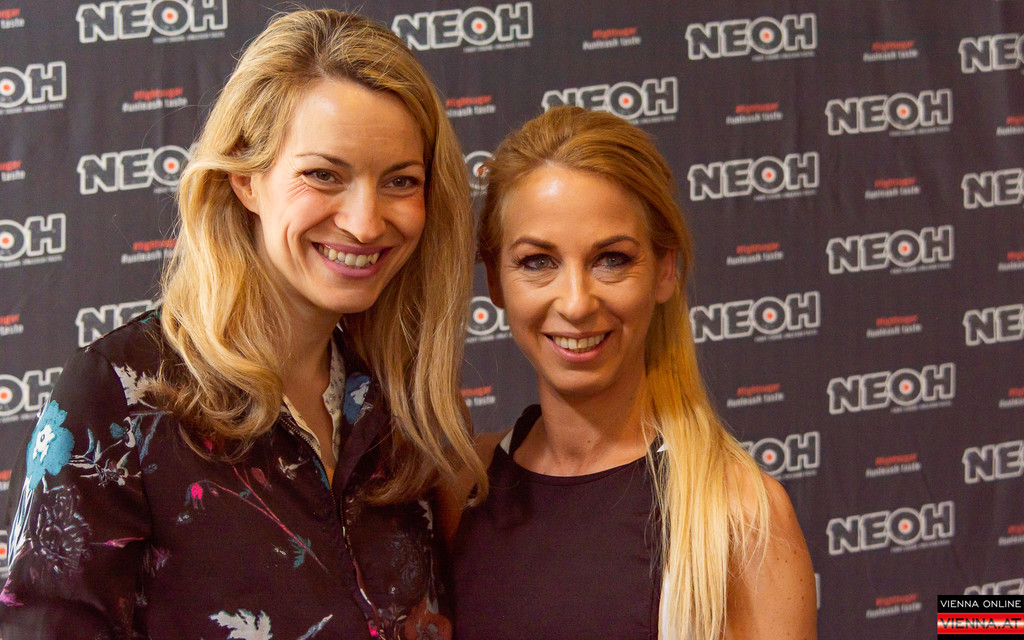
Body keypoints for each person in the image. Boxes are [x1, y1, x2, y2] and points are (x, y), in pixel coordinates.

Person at [0, 9, 485, 639]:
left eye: (400, 181)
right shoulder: (117, 400)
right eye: (323, 175)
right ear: (245, 177)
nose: (366, 223)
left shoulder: (402, 414)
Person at [449, 106, 817, 640]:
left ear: (665, 270)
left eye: (612, 259)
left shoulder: (741, 515)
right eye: (537, 262)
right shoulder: (466, 486)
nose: (576, 303)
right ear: (495, 282)